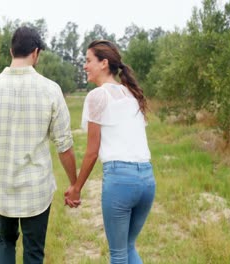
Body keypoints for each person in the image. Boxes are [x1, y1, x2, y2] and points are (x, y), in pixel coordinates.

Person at [0, 26, 80, 264]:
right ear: (36, 53)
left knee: (6, 242)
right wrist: (73, 183)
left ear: (11, 51)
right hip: (37, 190)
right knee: (34, 251)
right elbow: (64, 146)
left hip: (4, 189)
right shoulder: (51, 91)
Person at [65, 40, 155, 264]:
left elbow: (92, 153)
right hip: (147, 179)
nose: (84, 66)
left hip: (121, 181)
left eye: (88, 61)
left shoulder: (98, 96)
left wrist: (76, 188)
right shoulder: (132, 94)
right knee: (128, 247)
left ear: (104, 63)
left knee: (118, 254)